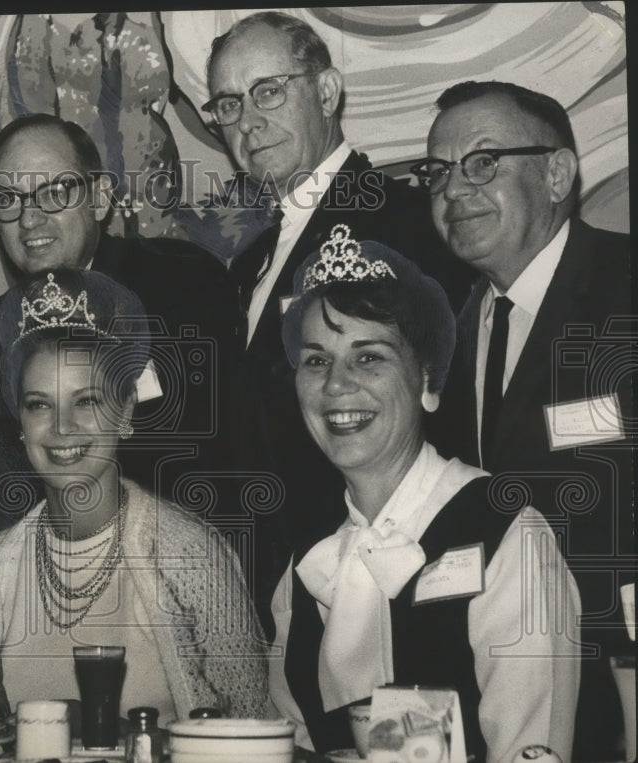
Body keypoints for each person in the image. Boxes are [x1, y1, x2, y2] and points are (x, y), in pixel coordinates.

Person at [203, 11, 476, 636]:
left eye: (269, 91)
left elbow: (449, 402)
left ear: (327, 92)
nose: (248, 121)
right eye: (227, 104)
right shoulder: (250, 259)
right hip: (282, 581)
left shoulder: (402, 220)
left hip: (385, 581)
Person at [270, 225, 580, 762]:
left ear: (429, 382)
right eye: (316, 360)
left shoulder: (506, 537)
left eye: (369, 357)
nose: (336, 384)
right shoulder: (304, 569)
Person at [416, 80, 634, 761]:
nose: (454, 190)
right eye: (438, 173)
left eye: (482, 162)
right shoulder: (444, 324)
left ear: (558, 172)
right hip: (491, 678)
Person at [0, 269, 269, 724]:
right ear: (19, 421)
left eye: (87, 402)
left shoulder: (193, 559)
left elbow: (250, 737)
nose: (62, 428)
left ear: (126, 411)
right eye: (40, 404)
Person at [0, 114, 240, 547]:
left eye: (54, 192)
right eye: (9, 199)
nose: (30, 219)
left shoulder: (182, 283)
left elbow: (223, 460)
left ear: (100, 198)